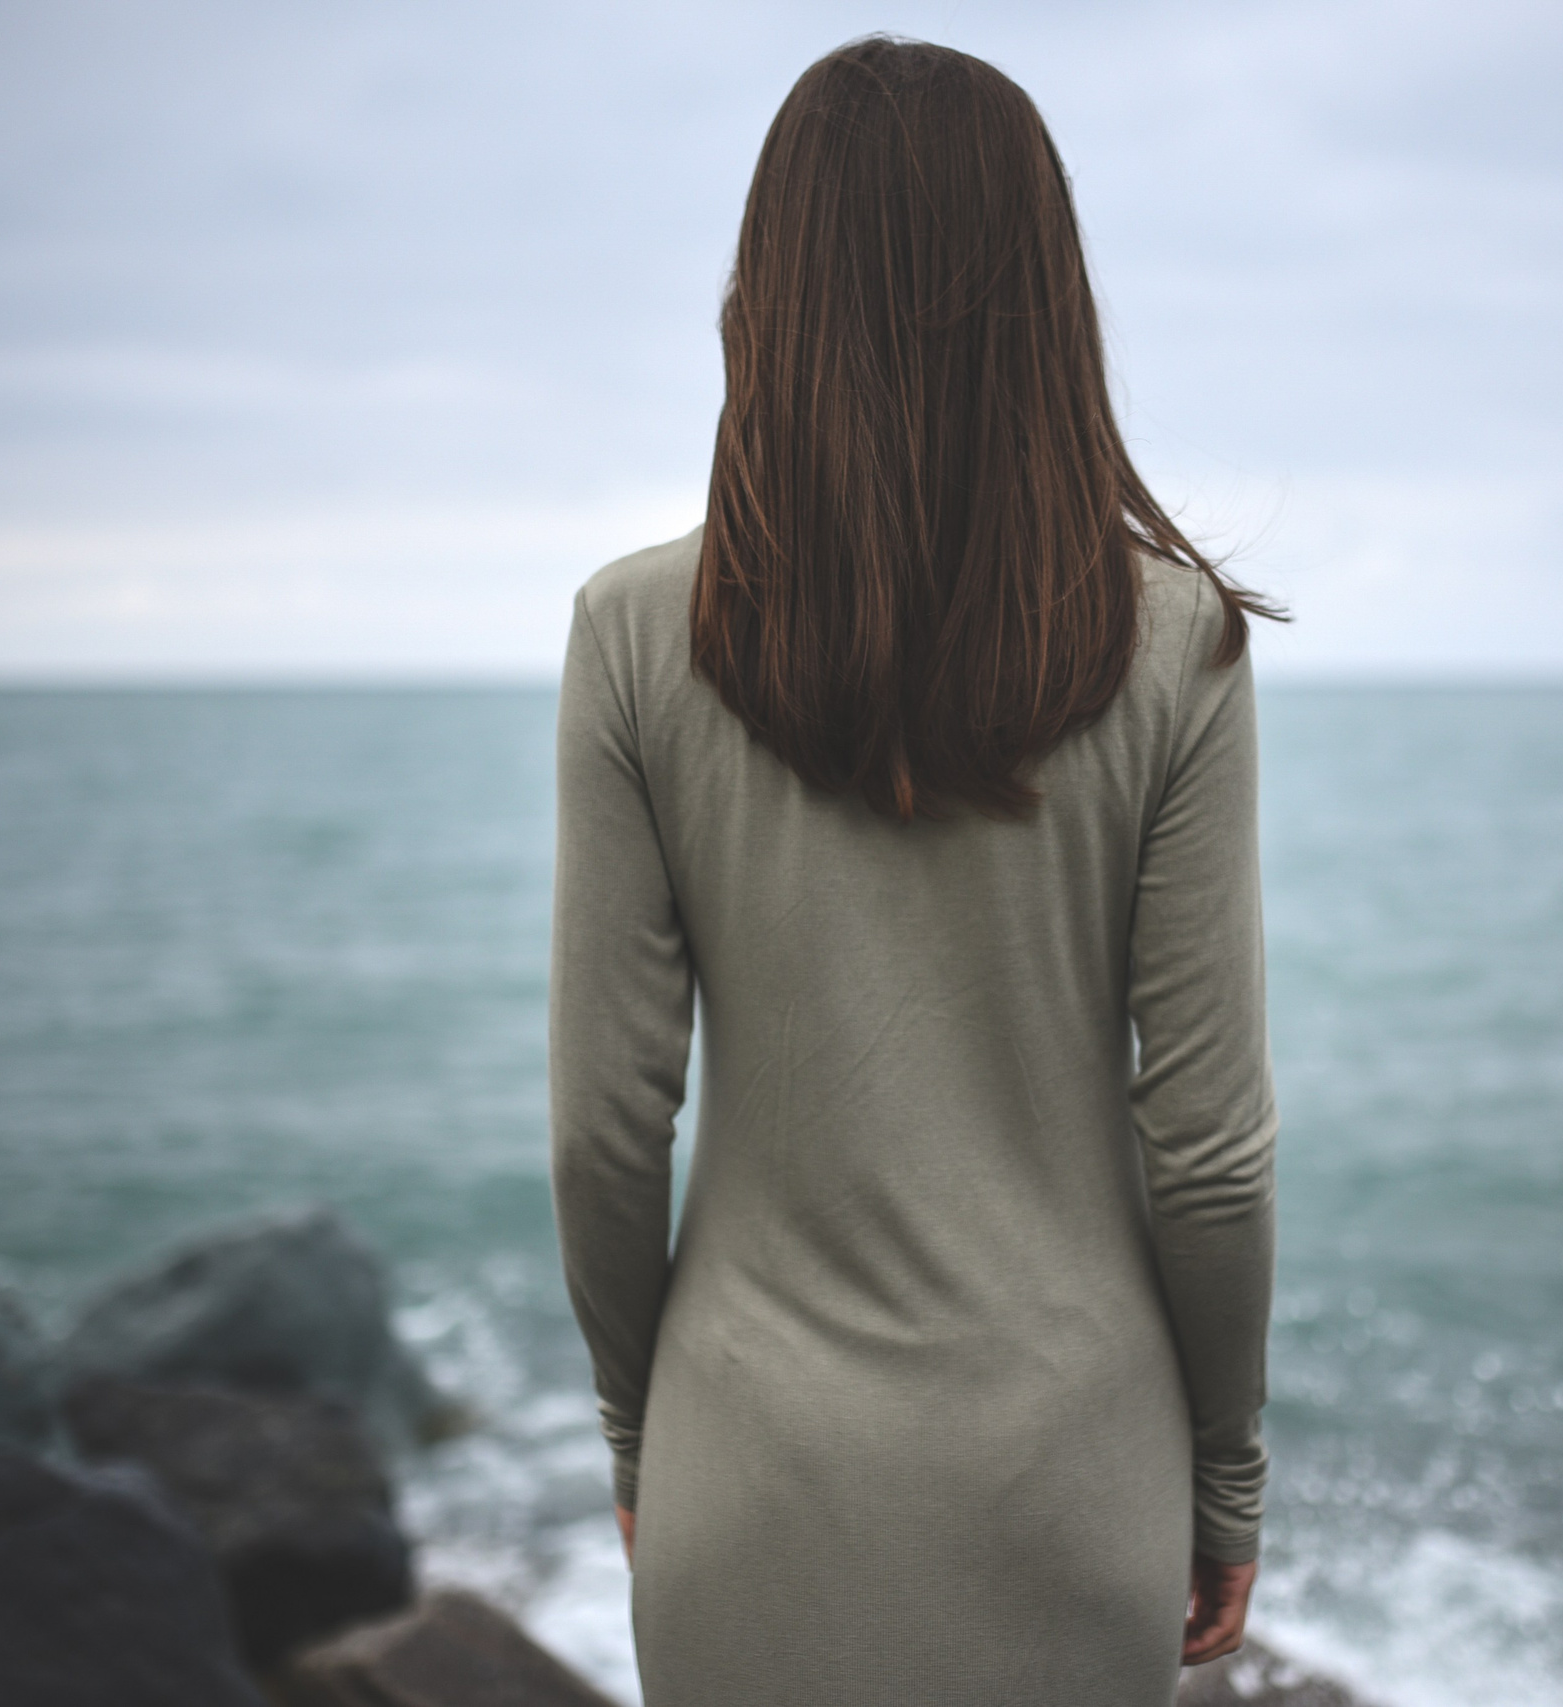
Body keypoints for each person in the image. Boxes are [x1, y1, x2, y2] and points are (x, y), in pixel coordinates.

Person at [549, 35, 1280, 1707]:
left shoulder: (634, 633)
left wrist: (640, 1434)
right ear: (1046, 296)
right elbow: (1213, 1152)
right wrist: (1224, 1480)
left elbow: (604, 1125)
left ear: (767, 296)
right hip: (1076, 1477)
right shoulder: (1177, 645)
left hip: (750, 1472)